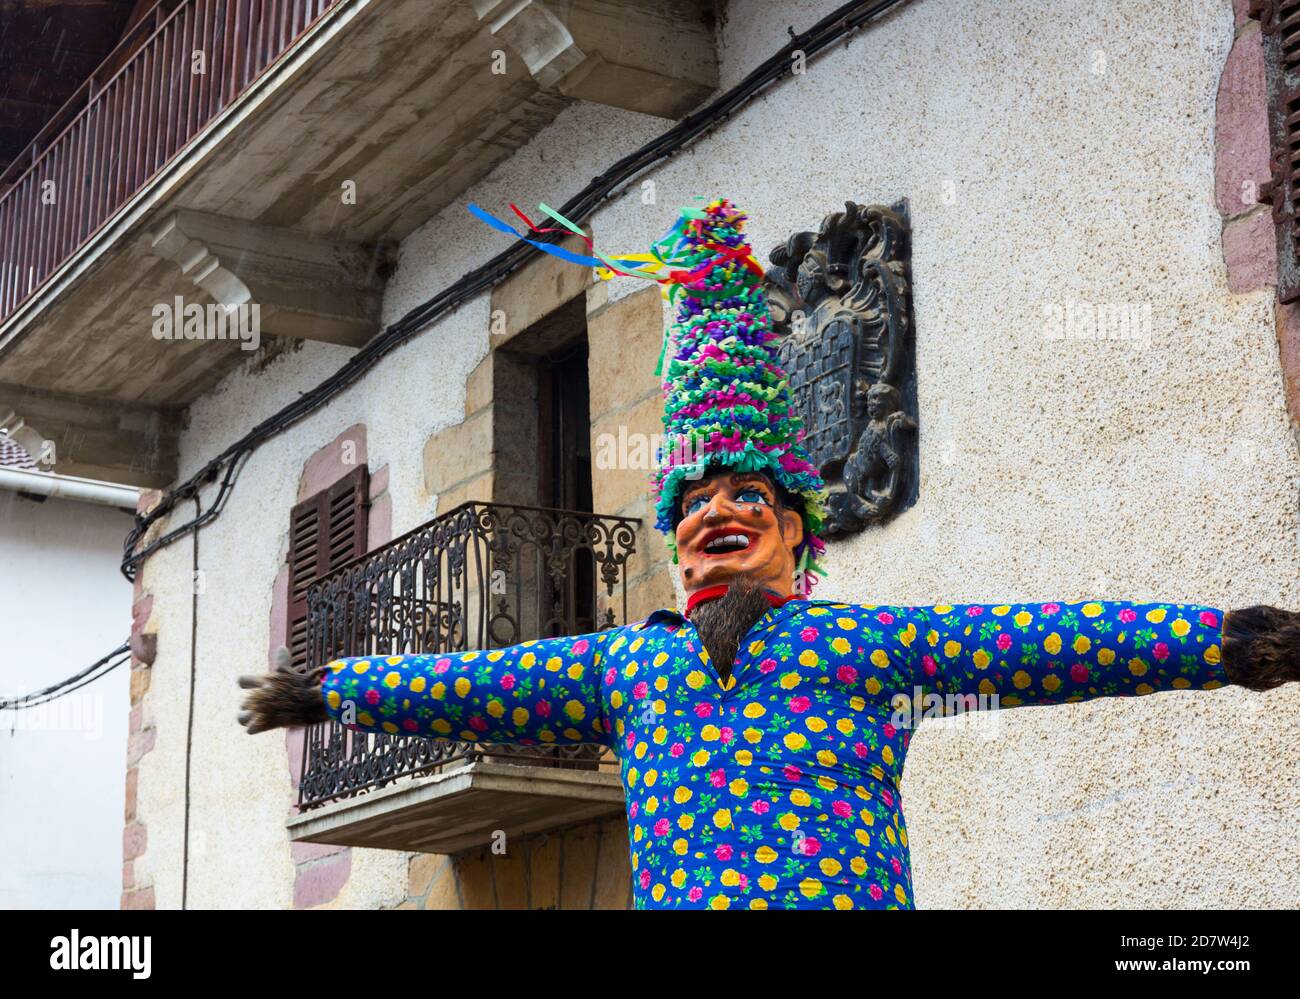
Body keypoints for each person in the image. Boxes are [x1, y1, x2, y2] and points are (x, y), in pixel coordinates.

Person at [238, 198, 1300, 909]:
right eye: (692, 503)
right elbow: (474, 685)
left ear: (796, 529)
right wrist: (329, 690)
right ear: (676, 545)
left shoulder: (869, 649)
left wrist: (1229, 642)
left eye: (747, 495)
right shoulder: (625, 667)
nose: (715, 515)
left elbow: (1044, 643)